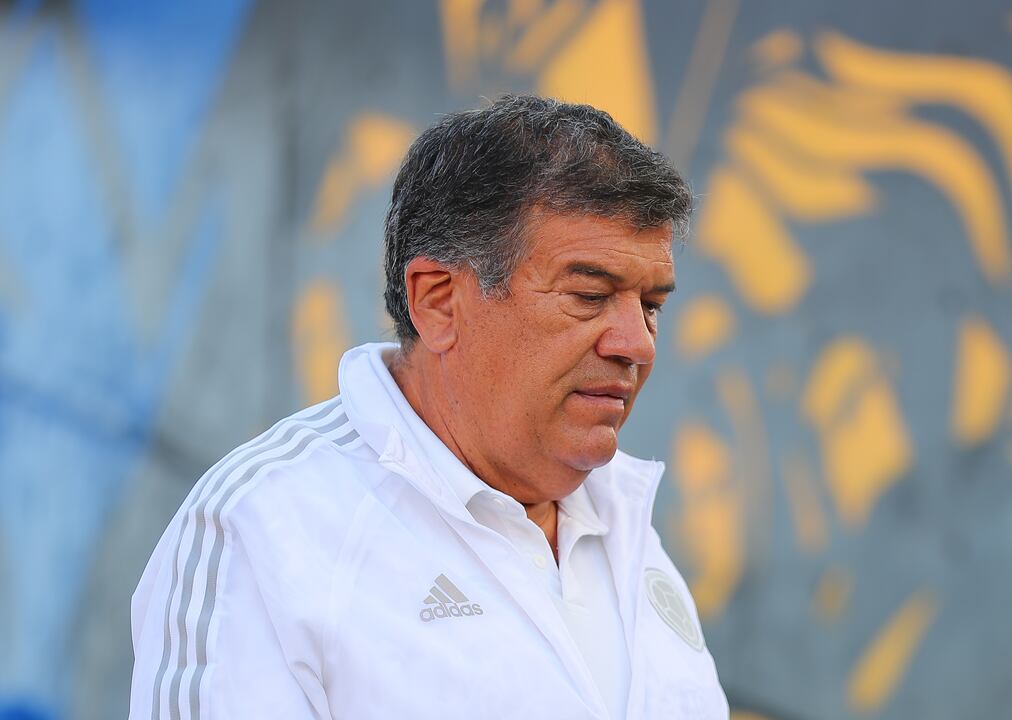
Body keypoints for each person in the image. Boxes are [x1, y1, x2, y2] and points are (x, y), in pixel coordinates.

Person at [128, 95, 728, 719]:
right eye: (588, 295)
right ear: (439, 301)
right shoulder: (265, 528)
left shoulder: (626, 523)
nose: (636, 344)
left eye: (651, 305)